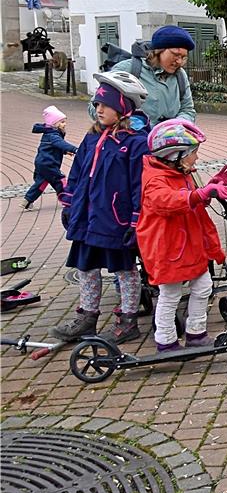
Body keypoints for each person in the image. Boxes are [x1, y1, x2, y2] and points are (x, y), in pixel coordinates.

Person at [52, 71, 151, 344]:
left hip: (116, 220)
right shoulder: (91, 138)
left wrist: (134, 221)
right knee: (85, 266)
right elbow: (77, 172)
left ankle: (129, 320)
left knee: (125, 269)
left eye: (104, 105)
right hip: (87, 217)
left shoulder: (135, 143)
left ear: (122, 108)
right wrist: (69, 202)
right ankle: (87, 317)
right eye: (97, 104)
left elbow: (138, 187)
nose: (99, 109)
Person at [138, 119, 227, 352]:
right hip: (168, 248)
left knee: (203, 286)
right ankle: (166, 340)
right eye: (193, 153)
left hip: (187, 244)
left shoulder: (181, 173)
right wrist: (199, 195)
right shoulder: (156, 179)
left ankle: (196, 332)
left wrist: (210, 187)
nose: (196, 158)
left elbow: (192, 198)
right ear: (175, 156)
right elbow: (167, 202)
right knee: (170, 293)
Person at [103, 25, 196, 123]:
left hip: (168, 137)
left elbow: (187, 110)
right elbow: (95, 109)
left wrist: (175, 126)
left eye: (183, 57)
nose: (179, 61)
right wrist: (131, 123)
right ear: (159, 50)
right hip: (133, 137)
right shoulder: (127, 69)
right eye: (175, 55)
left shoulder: (180, 75)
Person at [24, 105, 78, 210]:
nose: (64, 124)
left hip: (42, 162)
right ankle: (67, 199)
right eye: (62, 122)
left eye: (64, 121)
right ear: (54, 124)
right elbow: (60, 143)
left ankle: (27, 200)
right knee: (60, 180)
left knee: (42, 182)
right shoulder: (53, 135)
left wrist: (65, 152)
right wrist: (75, 150)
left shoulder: (50, 133)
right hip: (48, 163)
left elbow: (53, 148)